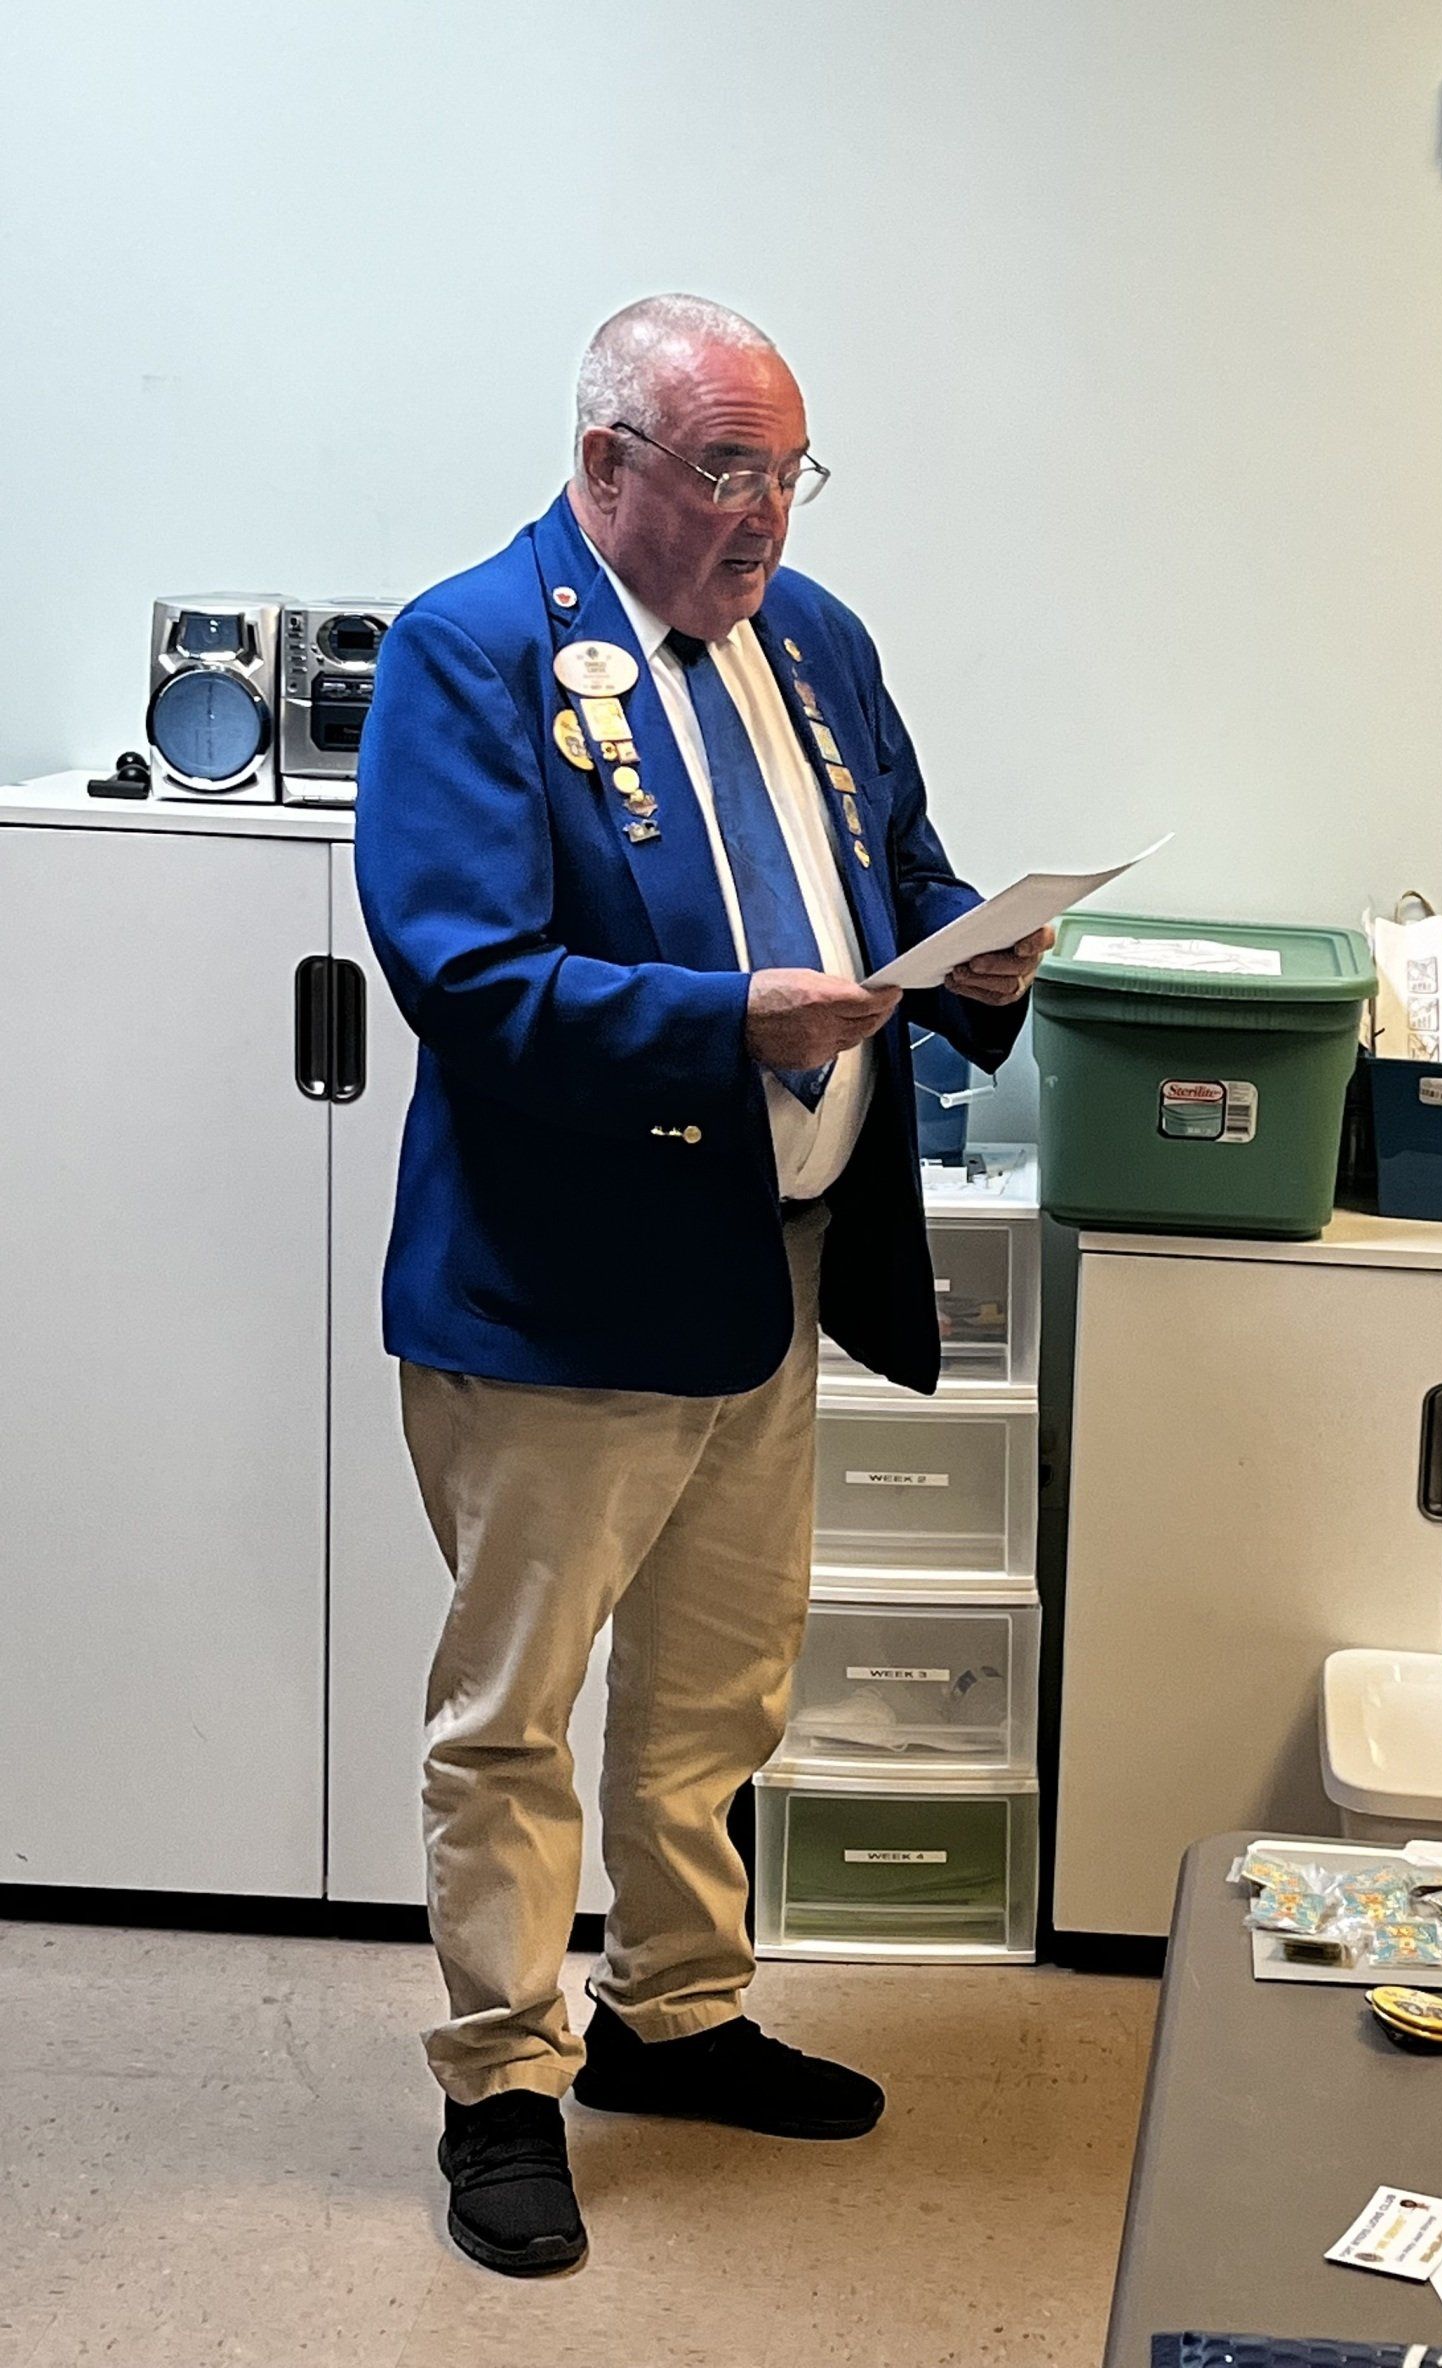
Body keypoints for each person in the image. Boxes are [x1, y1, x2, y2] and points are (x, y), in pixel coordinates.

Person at [354, 294, 1045, 2277]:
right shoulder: (470, 651)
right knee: (515, 1712)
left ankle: (678, 2013)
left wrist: (968, 951)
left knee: (715, 1690)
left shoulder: (811, 641)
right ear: (604, 467)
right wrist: (722, 1021)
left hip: (774, 1266)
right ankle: (503, 2078)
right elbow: (468, 976)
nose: (766, 519)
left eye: (788, 471)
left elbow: (891, 866)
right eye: (726, 471)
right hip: (561, 1296)